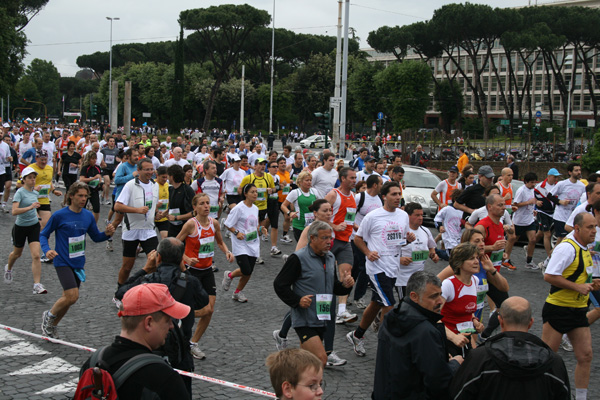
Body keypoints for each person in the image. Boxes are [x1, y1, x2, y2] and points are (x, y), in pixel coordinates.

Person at [80, 283, 191, 399]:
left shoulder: (93, 362)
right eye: (167, 320)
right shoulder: (164, 379)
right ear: (148, 323)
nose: (171, 326)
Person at [449, 296, 570, 399]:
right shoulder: (555, 363)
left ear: (500, 321)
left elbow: (458, 394)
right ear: (531, 323)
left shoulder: (479, 358)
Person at [273, 220, 354, 367]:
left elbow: (334, 287)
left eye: (330, 238)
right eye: (324, 238)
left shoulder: (330, 258)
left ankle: (294, 384)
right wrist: (297, 300)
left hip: (322, 318)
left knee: (306, 362)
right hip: (305, 318)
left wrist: (346, 286)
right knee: (320, 359)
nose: (329, 242)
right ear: (313, 238)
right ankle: (313, 387)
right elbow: (279, 284)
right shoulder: (298, 258)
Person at [348, 181, 415, 356]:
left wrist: (408, 239)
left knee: (377, 303)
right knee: (389, 306)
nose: (397, 197)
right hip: (377, 268)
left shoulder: (403, 216)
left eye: (399, 194)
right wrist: (368, 252)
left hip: (393, 266)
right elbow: (358, 238)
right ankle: (388, 345)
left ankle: (357, 335)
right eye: (393, 194)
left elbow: (400, 241)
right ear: (384, 196)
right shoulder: (373, 216)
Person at [40, 182, 115, 338]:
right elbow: (43, 234)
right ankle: (48, 315)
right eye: (80, 195)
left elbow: (96, 237)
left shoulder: (88, 216)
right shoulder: (59, 215)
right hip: (62, 260)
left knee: (69, 299)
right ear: (71, 196)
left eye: (85, 196)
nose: (83, 199)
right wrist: (47, 250)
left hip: (78, 262)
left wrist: (107, 234)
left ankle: (52, 325)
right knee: (72, 295)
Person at [372, 271, 463, 399]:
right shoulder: (425, 331)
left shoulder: (390, 318)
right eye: (433, 296)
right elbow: (438, 381)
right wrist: (455, 365)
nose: (440, 301)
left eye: (440, 295)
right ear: (414, 296)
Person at [542, 212, 600, 400]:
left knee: (586, 356)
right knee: (548, 358)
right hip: (558, 309)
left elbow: (579, 275)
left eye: (595, 227)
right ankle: (541, 392)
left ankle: (581, 397)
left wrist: (592, 284)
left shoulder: (584, 248)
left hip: (578, 311)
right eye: (590, 227)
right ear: (577, 228)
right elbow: (549, 276)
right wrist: (578, 287)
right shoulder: (567, 248)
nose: (594, 231)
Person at [176, 193, 234, 359]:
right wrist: (186, 258)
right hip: (190, 272)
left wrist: (227, 252)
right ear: (195, 208)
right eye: (202, 204)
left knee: (209, 310)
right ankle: (177, 317)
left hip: (207, 271)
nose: (206, 206)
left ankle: (193, 343)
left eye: (208, 203)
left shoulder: (214, 223)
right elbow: (176, 243)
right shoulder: (190, 225)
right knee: (198, 308)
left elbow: (220, 242)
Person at [114, 157, 159, 287]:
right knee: (127, 266)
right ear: (138, 170)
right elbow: (117, 206)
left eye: (151, 169)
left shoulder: (155, 185)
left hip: (149, 230)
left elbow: (151, 206)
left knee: (155, 261)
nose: (150, 172)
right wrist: (137, 210)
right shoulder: (130, 185)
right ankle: (119, 291)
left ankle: (148, 288)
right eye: (146, 170)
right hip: (131, 230)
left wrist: (156, 214)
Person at [222, 184, 268, 302]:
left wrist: (261, 229)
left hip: (252, 242)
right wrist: (236, 232)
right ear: (245, 193)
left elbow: (255, 225)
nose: (255, 194)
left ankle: (237, 292)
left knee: (249, 272)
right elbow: (228, 223)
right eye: (252, 192)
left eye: (256, 192)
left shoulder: (255, 208)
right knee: (246, 269)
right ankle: (229, 275)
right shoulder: (239, 208)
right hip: (240, 244)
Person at [4, 167, 46, 293]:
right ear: (24, 180)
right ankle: (9, 268)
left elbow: (35, 209)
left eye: (34, 177)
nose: (33, 180)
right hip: (20, 227)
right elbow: (14, 211)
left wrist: (38, 218)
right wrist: (30, 207)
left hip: (33, 226)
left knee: (36, 255)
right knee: (17, 254)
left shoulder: (35, 192)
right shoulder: (19, 193)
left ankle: (37, 285)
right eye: (30, 178)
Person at [439, 242, 485, 357]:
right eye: (471, 258)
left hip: (465, 338)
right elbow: (432, 316)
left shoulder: (474, 280)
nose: (476, 261)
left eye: (476, 258)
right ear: (459, 263)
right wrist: (453, 337)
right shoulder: (448, 284)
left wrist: (474, 320)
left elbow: (467, 307)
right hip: (448, 341)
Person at [548, 163, 586, 246]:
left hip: (572, 216)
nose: (579, 172)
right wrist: (560, 201)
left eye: (579, 170)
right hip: (560, 215)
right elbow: (549, 196)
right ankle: (552, 256)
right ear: (570, 172)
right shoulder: (562, 184)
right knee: (562, 237)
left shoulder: (582, 186)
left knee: (570, 238)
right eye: (576, 170)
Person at [534, 168, 561, 269]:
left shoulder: (557, 185)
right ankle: (549, 257)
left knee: (540, 233)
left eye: (557, 177)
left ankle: (530, 245)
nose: (556, 178)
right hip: (542, 212)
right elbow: (534, 197)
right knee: (547, 234)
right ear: (549, 176)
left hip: (552, 212)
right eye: (555, 176)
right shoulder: (540, 186)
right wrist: (536, 202)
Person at [281, 171, 318, 242]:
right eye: (307, 180)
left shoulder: (314, 191)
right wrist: (290, 213)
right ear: (300, 182)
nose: (309, 182)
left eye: (310, 180)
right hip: (299, 225)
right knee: (302, 248)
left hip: (312, 225)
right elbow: (283, 206)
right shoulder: (295, 193)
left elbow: (319, 205)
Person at [161, 165, 194, 238]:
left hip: (185, 228)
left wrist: (176, 218)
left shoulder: (187, 190)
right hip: (172, 227)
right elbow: (173, 206)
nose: (167, 178)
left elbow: (195, 212)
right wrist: (165, 212)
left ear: (172, 177)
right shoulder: (171, 189)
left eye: (168, 176)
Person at [79, 151, 103, 222]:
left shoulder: (98, 167)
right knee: (82, 208)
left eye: (95, 159)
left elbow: (99, 177)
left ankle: (94, 225)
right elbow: (82, 179)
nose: (94, 161)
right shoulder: (85, 168)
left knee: (96, 209)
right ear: (89, 159)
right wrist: (93, 178)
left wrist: (100, 183)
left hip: (94, 190)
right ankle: (81, 222)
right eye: (93, 159)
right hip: (85, 191)